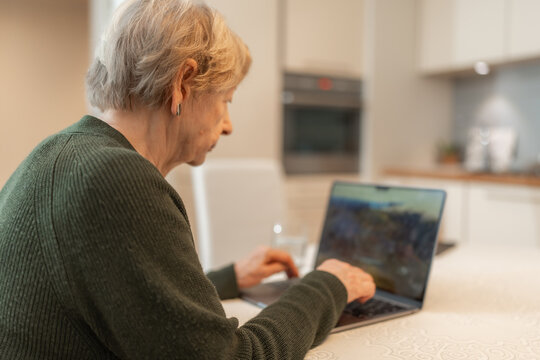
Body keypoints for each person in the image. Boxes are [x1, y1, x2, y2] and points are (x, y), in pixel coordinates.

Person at [0, 0, 376, 358]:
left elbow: (126, 304)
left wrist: (228, 278)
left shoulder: (57, 154)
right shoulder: (117, 179)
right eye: (226, 99)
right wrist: (328, 286)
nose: (228, 125)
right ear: (182, 83)